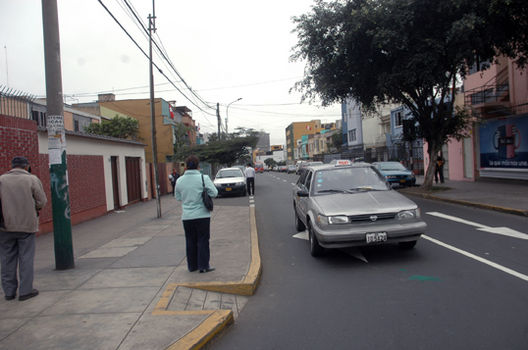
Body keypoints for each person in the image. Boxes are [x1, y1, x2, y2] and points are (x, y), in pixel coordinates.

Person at [0, 156, 47, 301]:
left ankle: (9, 292)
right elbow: (42, 201)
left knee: (7, 259)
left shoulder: (1, 180)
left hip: (5, 225)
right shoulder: (32, 180)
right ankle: (25, 291)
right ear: (26, 166)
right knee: (26, 258)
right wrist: (34, 208)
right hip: (27, 225)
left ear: (12, 166)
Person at [175, 155, 218, 273]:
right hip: (202, 215)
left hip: (187, 217)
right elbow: (214, 193)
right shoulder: (203, 178)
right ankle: (203, 266)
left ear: (186, 166)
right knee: (203, 240)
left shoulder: (179, 180)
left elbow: (177, 197)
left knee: (190, 241)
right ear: (198, 166)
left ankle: (192, 266)